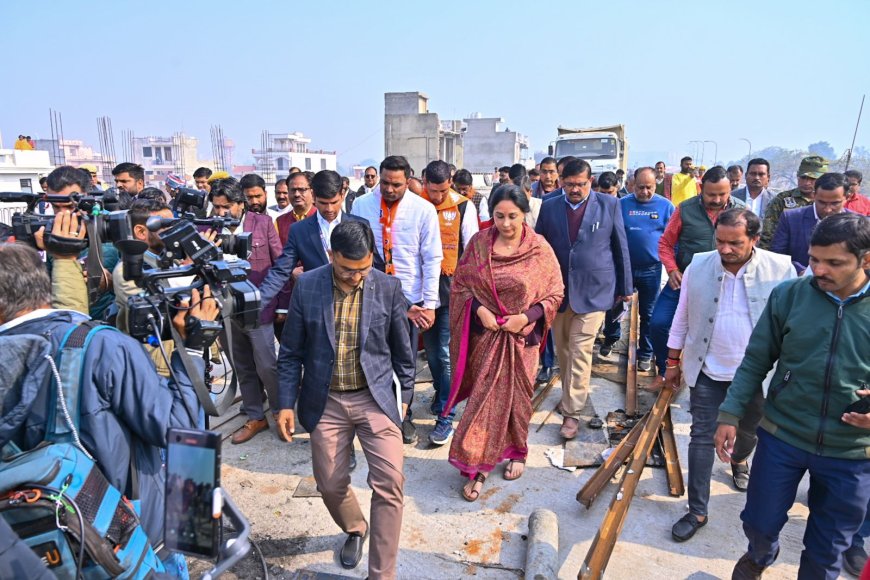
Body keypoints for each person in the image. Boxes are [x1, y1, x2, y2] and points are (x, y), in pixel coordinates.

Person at [0, 242, 217, 575]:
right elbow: (180, 430)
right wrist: (194, 350)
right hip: (126, 536)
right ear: (44, 283)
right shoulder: (101, 345)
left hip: (34, 541)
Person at [714, 212, 870, 580]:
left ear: (866, 260)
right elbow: (756, 360)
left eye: (834, 262)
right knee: (758, 521)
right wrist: (729, 414)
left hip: (851, 451)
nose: (818, 270)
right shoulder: (790, 295)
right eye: (814, 259)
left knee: (827, 549)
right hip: (783, 434)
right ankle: (761, 553)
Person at [275, 220, 415, 579]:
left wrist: (405, 397)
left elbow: (404, 351)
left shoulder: (387, 286)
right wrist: (286, 403)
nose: (356, 277)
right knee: (331, 484)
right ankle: (356, 527)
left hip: (376, 397)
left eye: (364, 269)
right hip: (327, 401)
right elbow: (290, 351)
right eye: (347, 270)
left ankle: (382, 574)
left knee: (389, 483)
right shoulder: (308, 287)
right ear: (331, 256)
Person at [664, 208, 795, 543]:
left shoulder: (780, 268)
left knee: (748, 433)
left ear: (754, 239)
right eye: (720, 241)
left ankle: (739, 460)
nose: (725, 249)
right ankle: (697, 510)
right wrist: (672, 361)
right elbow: (683, 315)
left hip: (757, 374)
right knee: (701, 436)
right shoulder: (699, 264)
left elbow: (793, 325)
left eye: (734, 243)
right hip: (708, 366)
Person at [445, 185, 564, 500]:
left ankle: (518, 450)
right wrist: (480, 310)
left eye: (513, 216)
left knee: (517, 402)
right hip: (487, 337)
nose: (506, 223)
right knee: (485, 401)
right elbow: (460, 286)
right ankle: (479, 466)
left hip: (521, 340)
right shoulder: (479, 245)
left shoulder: (539, 249)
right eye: (499, 216)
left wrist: (525, 318)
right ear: (491, 214)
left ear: (525, 214)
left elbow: (555, 293)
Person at [535, 159, 632, 439]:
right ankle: (569, 397)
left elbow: (620, 246)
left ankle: (572, 413)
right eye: (570, 184)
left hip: (595, 290)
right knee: (564, 351)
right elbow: (540, 249)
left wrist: (625, 287)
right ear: (561, 181)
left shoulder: (609, 205)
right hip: (559, 292)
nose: (575, 189)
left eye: (581, 184)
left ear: (590, 181)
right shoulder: (550, 206)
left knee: (580, 351)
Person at [351, 155, 443, 444]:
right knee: (372, 357)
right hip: (369, 296)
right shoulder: (361, 205)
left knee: (405, 360)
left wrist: (429, 304)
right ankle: (376, 413)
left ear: (409, 180)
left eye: (396, 184)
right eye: (385, 183)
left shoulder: (424, 210)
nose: (389, 189)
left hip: (410, 300)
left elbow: (432, 258)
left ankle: (404, 415)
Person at [259, 170, 383, 345]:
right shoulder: (300, 230)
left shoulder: (360, 225)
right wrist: (257, 302)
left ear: (342, 194)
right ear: (314, 195)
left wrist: (403, 303)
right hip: (317, 312)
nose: (330, 209)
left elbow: (376, 268)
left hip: (356, 309)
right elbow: (280, 271)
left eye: (334, 202)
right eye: (324, 203)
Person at [649, 166, 745, 383]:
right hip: (685, 281)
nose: (717, 199)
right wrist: (672, 269)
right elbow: (665, 243)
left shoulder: (742, 212)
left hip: (727, 283)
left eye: (723, 194)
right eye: (711, 194)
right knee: (659, 323)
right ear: (701, 188)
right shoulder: (685, 209)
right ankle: (666, 369)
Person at [210, 178, 284, 444]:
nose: (220, 213)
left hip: (259, 309)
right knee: (242, 365)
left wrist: (277, 303)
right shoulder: (207, 229)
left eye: (226, 206)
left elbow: (280, 265)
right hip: (226, 310)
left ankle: (280, 412)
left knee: (267, 365)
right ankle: (255, 416)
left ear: (240, 204)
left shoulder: (262, 224)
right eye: (216, 207)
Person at [420, 161, 478, 445]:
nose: (439, 197)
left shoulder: (464, 207)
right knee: (430, 353)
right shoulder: (414, 204)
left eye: (444, 190)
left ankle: (447, 414)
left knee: (444, 353)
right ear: (424, 182)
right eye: (433, 191)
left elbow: (473, 250)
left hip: (448, 289)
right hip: (420, 290)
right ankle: (441, 391)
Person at [601, 167, 675, 371]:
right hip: (623, 267)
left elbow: (673, 239)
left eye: (649, 188)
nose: (644, 192)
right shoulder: (621, 205)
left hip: (651, 269)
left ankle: (646, 352)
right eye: (640, 187)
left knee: (649, 313)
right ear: (632, 185)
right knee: (615, 306)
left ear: (655, 185)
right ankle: (611, 338)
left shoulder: (666, 207)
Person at [771, 172, 850, 274]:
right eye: (822, 202)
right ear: (814, 195)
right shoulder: (791, 218)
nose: (827, 209)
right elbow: (777, 255)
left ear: (847, 198)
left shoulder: (860, 225)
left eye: (835, 203)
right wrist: (800, 271)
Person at [761, 154, 828, 247]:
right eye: (803, 177)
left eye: (812, 179)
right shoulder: (782, 199)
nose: (806, 183)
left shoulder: (829, 203)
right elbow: (767, 236)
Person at [276, 172, 316, 245]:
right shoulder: (279, 222)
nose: (297, 194)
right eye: (293, 190)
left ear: (312, 192)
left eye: (302, 190)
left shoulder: (322, 218)